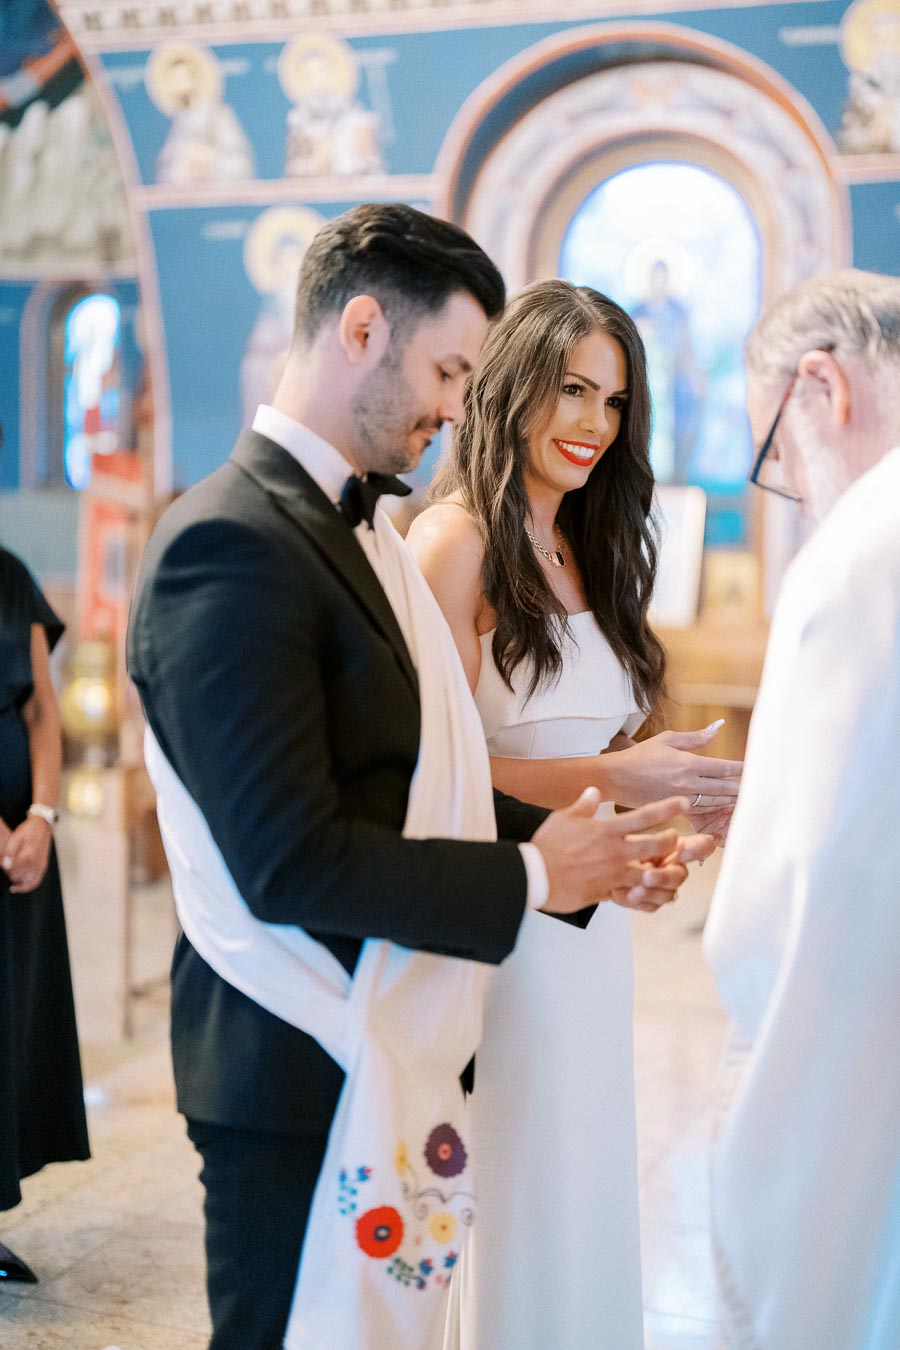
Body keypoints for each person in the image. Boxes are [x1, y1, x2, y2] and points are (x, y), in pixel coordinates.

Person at [126, 205, 705, 1350]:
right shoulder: (229, 541)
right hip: (292, 1048)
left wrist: (586, 855)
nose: (455, 408)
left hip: (389, 1028)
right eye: (447, 371)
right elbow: (290, 858)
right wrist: (538, 873)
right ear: (360, 331)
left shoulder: (366, 536)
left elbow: (420, 783)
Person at [407, 278, 736, 1347]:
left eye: (615, 400)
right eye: (573, 389)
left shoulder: (593, 543)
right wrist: (624, 779)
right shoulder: (454, 543)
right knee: (517, 1181)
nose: (596, 422)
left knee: (584, 1174)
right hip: (502, 922)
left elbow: (600, 759)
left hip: (589, 935)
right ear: (512, 386)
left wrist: (648, 838)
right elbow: (438, 771)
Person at [703, 268, 900, 1349]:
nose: (797, 490)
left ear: (822, 386)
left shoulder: (862, 553)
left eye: (776, 455)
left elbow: (793, 895)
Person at [0, 545, 90, 1283]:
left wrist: (42, 816)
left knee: (12, 1023)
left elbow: (40, 709)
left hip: (19, 847)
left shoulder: (11, 576)